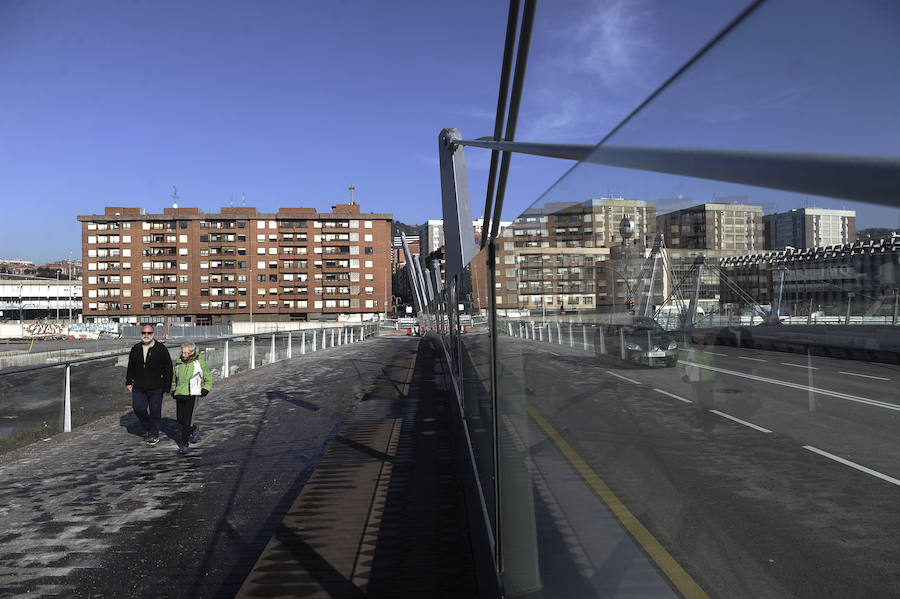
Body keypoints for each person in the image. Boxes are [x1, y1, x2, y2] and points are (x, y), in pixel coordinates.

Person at [125, 324, 173, 446]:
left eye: (149, 333)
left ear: (153, 334)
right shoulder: (135, 348)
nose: (146, 335)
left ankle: (153, 434)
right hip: (138, 386)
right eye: (144, 333)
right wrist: (129, 382)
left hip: (156, 387)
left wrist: (167, 386)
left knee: (155, 411)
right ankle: (148, 427)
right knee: (138, 408)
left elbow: (168, 368)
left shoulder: (161, 348)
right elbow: (131, 366)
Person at [170, 341, 212, 454]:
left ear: (192, 352)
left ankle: (184, 444)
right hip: (180, 394)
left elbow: (208, 376)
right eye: (182, 352)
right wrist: (173, 390)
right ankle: (194, 429)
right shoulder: (178, 362)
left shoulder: (199, 363)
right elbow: (174, 378)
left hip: (192, 394)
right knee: (180, 420)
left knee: (187, 420)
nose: (183, 355)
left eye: (186, 353)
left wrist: (206, 388)